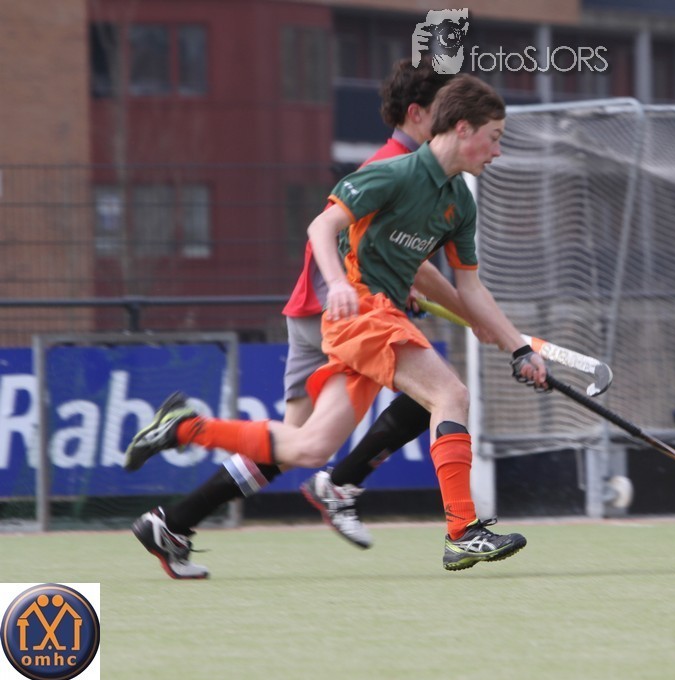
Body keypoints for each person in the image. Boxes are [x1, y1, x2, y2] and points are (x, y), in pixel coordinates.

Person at [126, 74, 546, 572]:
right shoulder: (392, 172)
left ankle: (185, 428)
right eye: (494, 137)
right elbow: (321, 226)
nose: (497, 151)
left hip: (378, 315)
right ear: (462, 128)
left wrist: (518, 347)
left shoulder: (460, 202)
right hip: (360, 312)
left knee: (309, 447)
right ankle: (462, 531)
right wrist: (338, 283)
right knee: (448, 395)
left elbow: (470, 288)